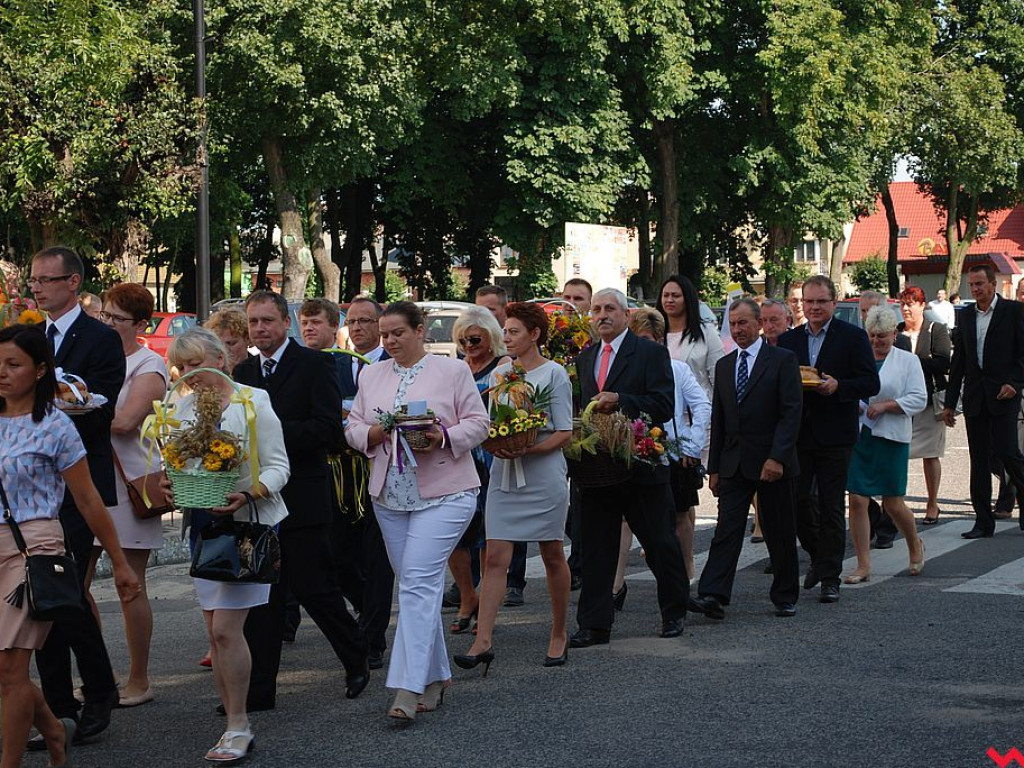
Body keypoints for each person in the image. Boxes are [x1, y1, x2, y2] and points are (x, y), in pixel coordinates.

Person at [0, 324, 139, 768]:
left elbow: (86, 499)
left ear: (41, 370)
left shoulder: (55, 425)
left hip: (34, 548)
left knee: (11, 669)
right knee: (3, 673)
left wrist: (120, 562)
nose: (1, 373)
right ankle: (54, 729)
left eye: (12, 364)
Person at [345, 301, 489, 720]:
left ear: (420, 331)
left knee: (416, 586)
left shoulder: (453, 371)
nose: (389, 341)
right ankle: (434, 676)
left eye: (397, 333)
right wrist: (374, 432)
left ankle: (406, 688)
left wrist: (441, 436)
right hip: (390, 494)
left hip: (447, 491)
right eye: (384, 334)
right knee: (415, 586)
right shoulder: (371, 374)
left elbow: (479, 424)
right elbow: (353, 427)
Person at [233, 291, 368, 712]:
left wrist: (270, 436)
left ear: (285, 323)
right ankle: (258, 692)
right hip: (256, 501)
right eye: (254, 322)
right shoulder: (243, 370)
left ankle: (356, 659)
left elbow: (328, 430)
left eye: (267, 321)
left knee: (316, 589)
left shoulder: (315, 364)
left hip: (303, 496)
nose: (260, 329)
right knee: (263, 599)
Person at [163, 328, 290, 763]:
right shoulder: (181, 405)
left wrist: (250, 492)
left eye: (197, 362)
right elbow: (179, 464)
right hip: (204, 526)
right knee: (214, 636)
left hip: (246, 529)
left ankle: (239, 724)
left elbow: (278, 466)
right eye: (182, 366)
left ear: (221, 357)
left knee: (224, 630)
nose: (190, 374)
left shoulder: (253, 401)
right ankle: (233, 721)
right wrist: (170, 482)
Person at [29, 246, 126, 744]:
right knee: (37, 596)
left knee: (63, 591)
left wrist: (71, 400)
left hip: (78, 481)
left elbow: (104, 404)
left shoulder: (101, 338)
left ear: (72, 283)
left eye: (45, 280)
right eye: (33, 281)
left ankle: (101, 687)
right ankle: (58, 708)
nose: (36, 288)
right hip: (29, 487)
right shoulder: (29, 337)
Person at [456, 302, 573, 669]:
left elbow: (565, 433)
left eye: (513, 331)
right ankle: (483, 641)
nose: (504, 337)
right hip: (506, 474)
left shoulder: (555, 374)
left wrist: (528, 447)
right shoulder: (500, 375)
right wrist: (500, 443)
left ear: (534, 335)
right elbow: (490, 421)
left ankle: (559, 632)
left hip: (543, 474)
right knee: (495, 557)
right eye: (504, 331)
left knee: (552, 554)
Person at [571, 289, 689, 647]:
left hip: (641, 465)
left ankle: (674, 611)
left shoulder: (649, 352)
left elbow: (664, 404)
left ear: (626, 314)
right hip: (598, 468)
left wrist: (621, 400)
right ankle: (594, 625)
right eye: (596, 310)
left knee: (659, 542)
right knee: (596, 547)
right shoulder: (586, 358)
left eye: (609, 308)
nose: (602, 315)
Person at [688, 299, 802, 620]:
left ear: (759, 324)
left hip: (772, 464)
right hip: (734, 464)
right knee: (727, 529)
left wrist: (777, 457)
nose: (737, 330)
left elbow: (791, 413)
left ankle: (784, 595)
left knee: (779, 531)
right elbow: (720, 419)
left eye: (743, 323)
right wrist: (714, 469)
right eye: (733, 324)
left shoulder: (782, 360)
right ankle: (713, 594)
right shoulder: (725, 366)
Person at [85, 284, 168, 708]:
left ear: (140, 325)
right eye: (105, 316)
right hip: (86, 482)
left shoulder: (149, 364)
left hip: (130, 484)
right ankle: (99, 673)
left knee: (130, 585)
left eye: (117, 319)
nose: (108, 324)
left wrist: (77, 409)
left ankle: (139, 678)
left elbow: (124, 422)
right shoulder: (94, 358)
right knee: (76, 586)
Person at [303, 297, 395, 671]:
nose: (358, 328)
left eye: (366, 321)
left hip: (379, 470)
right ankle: (363, 611)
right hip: (340, 472)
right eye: (352, 322)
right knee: (338, 556)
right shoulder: (336, 362)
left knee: (377, 560)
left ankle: (372, 637)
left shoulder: (393, 365)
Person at [778, 275, 880, 604]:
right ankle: (819, 557)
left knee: (832, 506)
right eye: (809, 302)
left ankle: (830, 577)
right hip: (800, 434)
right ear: (801, 304)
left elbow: (870, 382)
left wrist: (840, 387)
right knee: (797, 503)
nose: (815, 307)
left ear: (834, 303)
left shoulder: (851, 337)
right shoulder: (789, 340)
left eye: (821, 301)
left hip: (836, 433)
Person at [612, 308, 709, 604]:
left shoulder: (676, 369)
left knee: (679, 517)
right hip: (633, 452)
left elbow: (702, 406)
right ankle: (615, 586)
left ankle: (685, 574)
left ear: (660, 340)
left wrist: (692, 446)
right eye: (639, 339)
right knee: (626, 521)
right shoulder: (624, 368)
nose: (646, 347)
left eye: (651, 340)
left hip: (671, 452)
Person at [842, 306, 928, 584]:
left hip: (891, 437)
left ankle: (914, 543)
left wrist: (888, 406)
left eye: (882, 336)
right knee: (857, 500)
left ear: (894, 333)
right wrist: (852, 402)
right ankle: (863, 564)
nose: (877, 341)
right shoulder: (857, 358)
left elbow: (918, 398)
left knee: (892, 503)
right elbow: (845, 387)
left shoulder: (907, 361)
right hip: (860, 436)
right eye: (872, 336)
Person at [943, 265, 1024, 537]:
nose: (975, 289)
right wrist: (949, 403)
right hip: (976, 396)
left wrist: (1014, 383)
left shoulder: (1013, 312)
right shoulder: (965, 315)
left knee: (1008, 452)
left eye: (979, 284)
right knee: (978, 461)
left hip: (1004, 394)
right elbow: (959, 362)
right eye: (971, 285)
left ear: (993, 284)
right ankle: (983, 521)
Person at [656, 275, 723, 579]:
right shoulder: (655, 334)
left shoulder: (705, 333)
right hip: (662, 423)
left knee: (688, 489)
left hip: (698, 420)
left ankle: (687, 559)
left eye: (676, 295)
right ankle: (667, 541)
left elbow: (718, 376)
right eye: (666, 295)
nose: (670, 301)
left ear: (688, 299)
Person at [447, 306, 508, 634]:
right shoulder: (456, 369)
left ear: (491, 338)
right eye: (462, 339)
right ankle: (468, 597)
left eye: (474, 338)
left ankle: (485, 603)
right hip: (456, 458)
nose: (468, 344)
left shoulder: (503, 367)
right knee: (455, 535)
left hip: (488, 458)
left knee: (487, 536)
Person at [474, 284, 527, 606]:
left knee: (509, 515)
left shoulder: (508, 364)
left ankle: (513, 580)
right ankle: (473, 581)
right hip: (470, 453)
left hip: (501, 448)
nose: (486, 316)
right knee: (475, 518)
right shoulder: (463, 359)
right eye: (480, 310)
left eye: (492, 310)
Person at [897, 286, 951, 525]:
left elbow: (943, 362)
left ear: (922, 305)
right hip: (899, 402)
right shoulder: (896, 332)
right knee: (898, 453)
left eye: (911, 303)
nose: (906, 308)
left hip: (930, 401)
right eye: (903, 304)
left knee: (930, 455)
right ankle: (898, 504)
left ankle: (932, 503)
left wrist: (911, 362)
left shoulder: (935, 329)